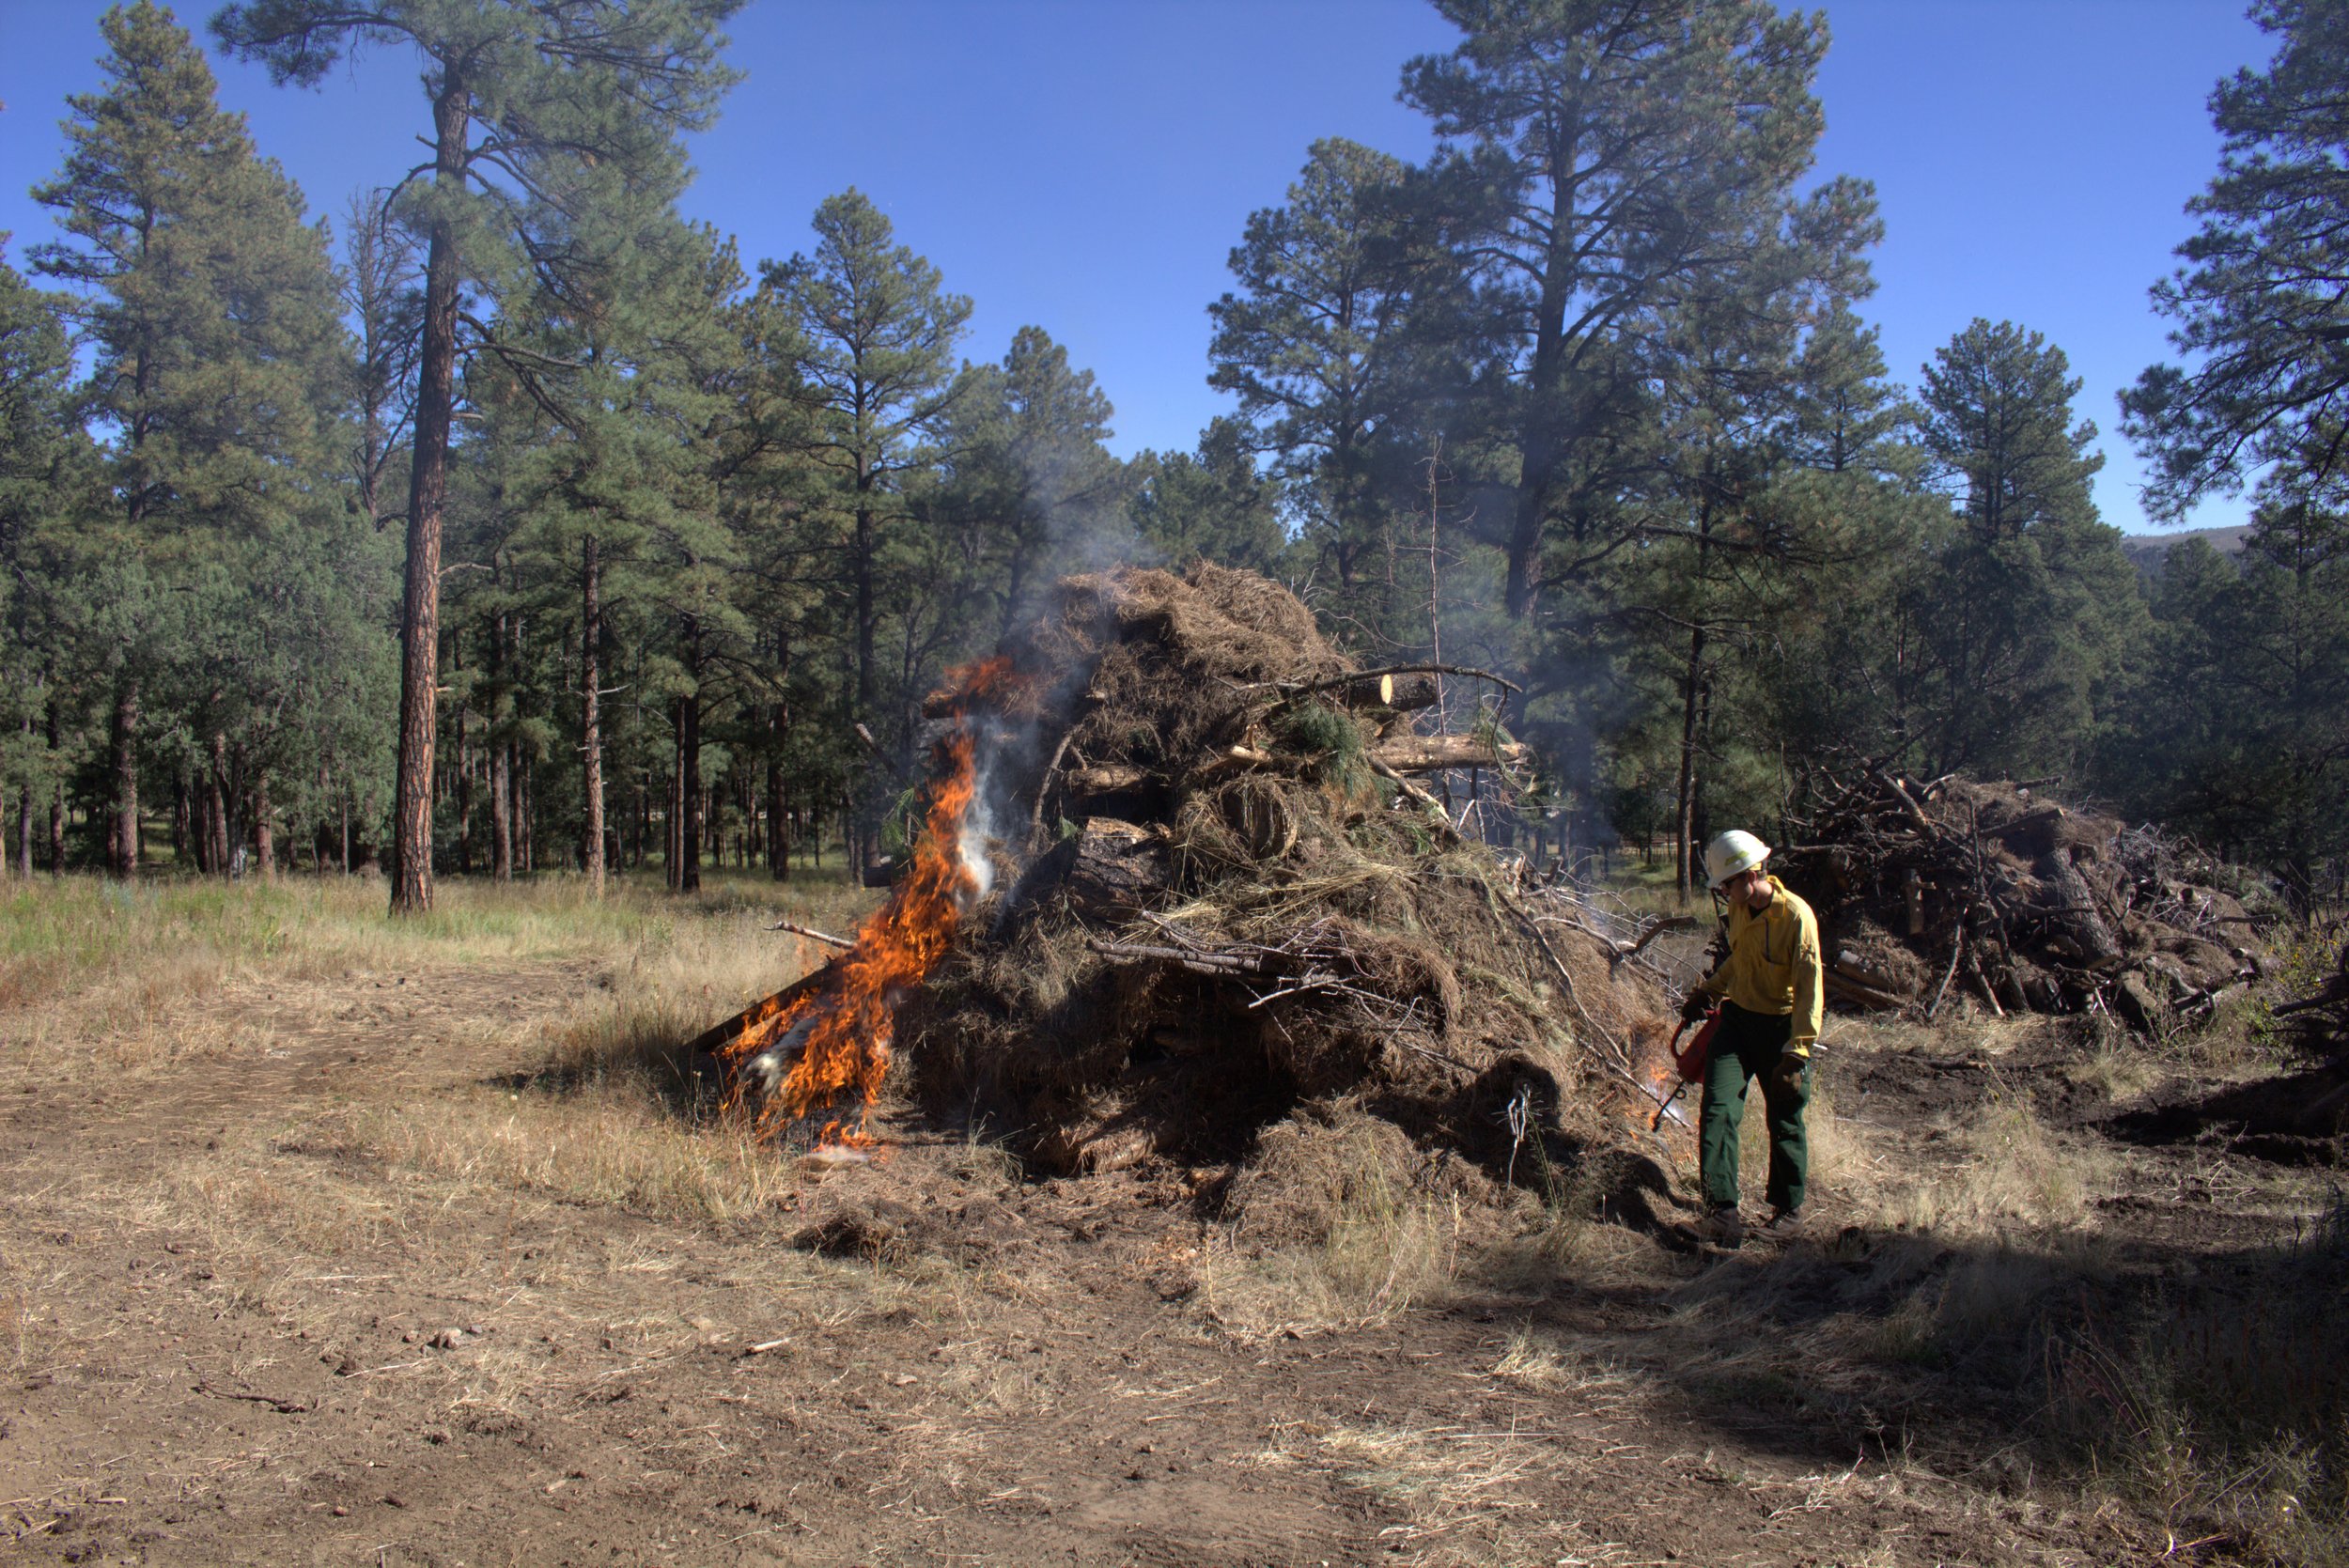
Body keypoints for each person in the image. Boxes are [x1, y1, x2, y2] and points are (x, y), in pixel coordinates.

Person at [1678, 830, 1823, 1246]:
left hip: (1780, 1031)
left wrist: (1797, 1053)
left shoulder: (1796, 917)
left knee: (1785, 1117)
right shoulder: (1741, 909)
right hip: (1737, 1022)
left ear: (1751, 875)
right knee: (1719, 1108)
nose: (1723, 892)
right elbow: (1739, 964)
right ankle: (1723, 1214)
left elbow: (1810, 990)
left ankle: (1789, 1211)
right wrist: (1709, 991)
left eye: (1727, 883)